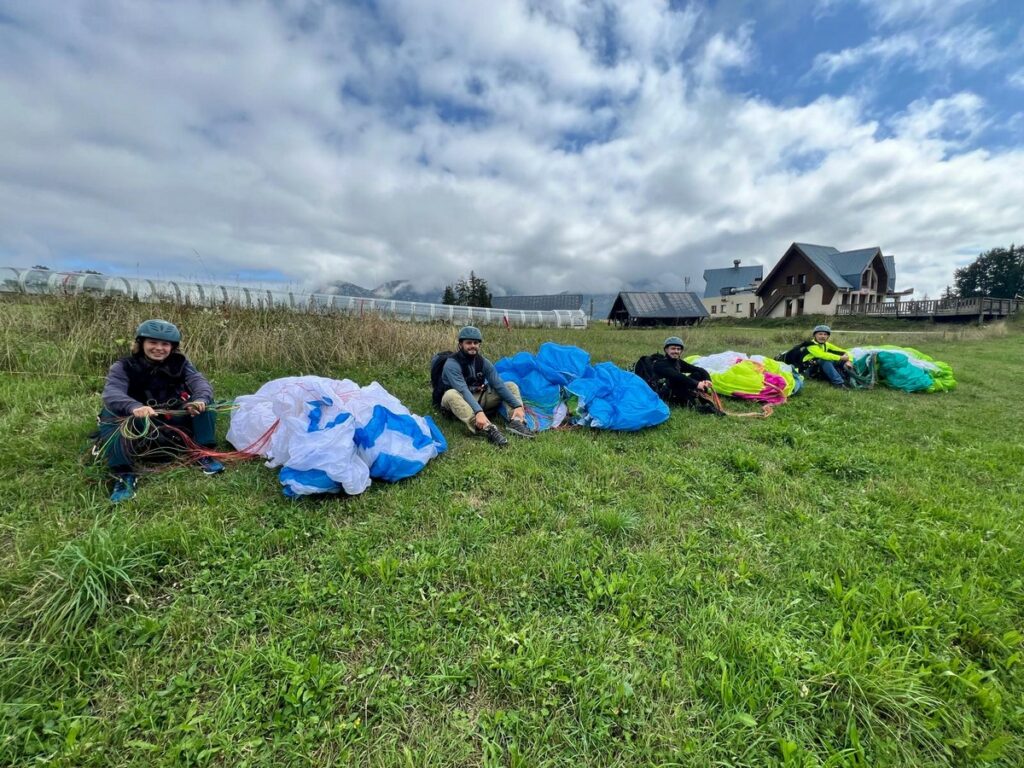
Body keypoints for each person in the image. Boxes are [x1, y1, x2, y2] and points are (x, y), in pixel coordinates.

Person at [97, 319, 224, 502]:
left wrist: (199, 400)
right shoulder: (123, 366)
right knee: (111, 412)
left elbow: (200, 383)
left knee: (206, 403)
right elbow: (112, 393)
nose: (159, 348)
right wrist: (135, 407)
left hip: (172, 416)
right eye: (153, 343)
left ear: (173, 347)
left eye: (165, 344)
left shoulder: (181, 363)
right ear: (141, 344)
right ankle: (123, 473)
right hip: (140, 421)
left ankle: (202, 452)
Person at [434, 326, 535, 446]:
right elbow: (463, 390)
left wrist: (517, 405)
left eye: (476, 343)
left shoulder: (483, 362)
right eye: (469, 343)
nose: (473, 346)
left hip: (478, 397)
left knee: (510, 385)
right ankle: (486, 428)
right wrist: (478, 412)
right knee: (451, 394)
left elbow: (498, 385)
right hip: (458, 402)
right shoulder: (452, 364)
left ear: (479, 345)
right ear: (460, 344)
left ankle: (516, 421)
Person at [651, 336, 719, 413]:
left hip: (676, 388)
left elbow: (699, 369)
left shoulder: (677, 362)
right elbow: (677, 376)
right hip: (665, 394)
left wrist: (707, 380)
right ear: (666, 350)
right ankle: (694, 404)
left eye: (678, 349)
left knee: (698, 374)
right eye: (673, 348)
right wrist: (697, 384)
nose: (676, 351)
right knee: (678, 380)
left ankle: (700, 397)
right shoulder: (660, 364)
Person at [801, 324, 853, 388]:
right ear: (815, 335)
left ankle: (850, 380)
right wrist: (840, 357)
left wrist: (849, 360)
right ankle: (838, 383)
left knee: (842, 361)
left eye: (825, 334)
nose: (823, 336)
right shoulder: (810, 345)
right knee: (825, 360)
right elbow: (822, 355)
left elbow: (845, 351)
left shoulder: (826, 344)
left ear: (828, 336)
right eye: (820, 334)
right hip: (810, 369)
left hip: (820, 366)